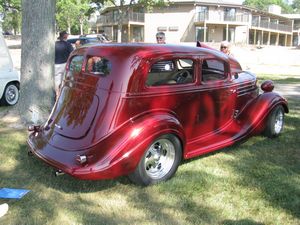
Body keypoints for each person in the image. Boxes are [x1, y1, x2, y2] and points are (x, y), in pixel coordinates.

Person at [54, 31, 73, 97]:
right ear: (65, 36)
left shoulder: (54, 44)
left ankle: (57, 94)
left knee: (56, 80)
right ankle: (62, 95)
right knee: (64, 80)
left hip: (55, 64)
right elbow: (72, 54)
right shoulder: (68, 44)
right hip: (65, 64)